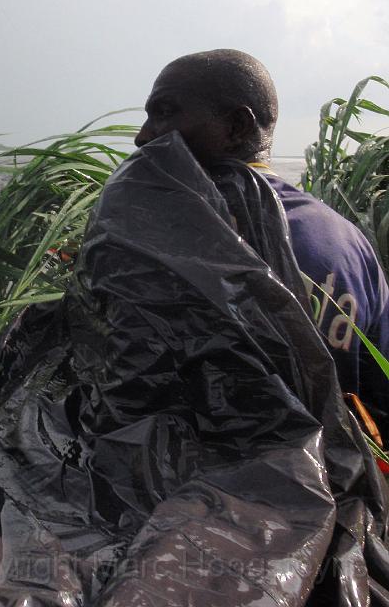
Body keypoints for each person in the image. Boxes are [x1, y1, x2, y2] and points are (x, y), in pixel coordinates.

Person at [135, 48, 389, 432]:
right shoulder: (347, 241)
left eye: (164, 112)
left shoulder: (154, 232)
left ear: (236, 127)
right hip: (329, 485)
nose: (142, 137)